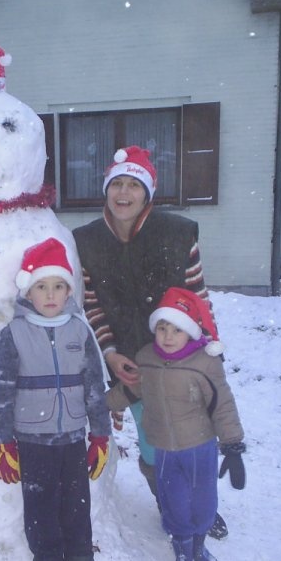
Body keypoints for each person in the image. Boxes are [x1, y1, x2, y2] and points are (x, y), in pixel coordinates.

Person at [73, 145, 228, 540]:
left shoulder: (177, 234)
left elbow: (198, 295)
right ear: (107, 190)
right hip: (133, 365)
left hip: (182, 359)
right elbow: (92, 305)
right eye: (117, 184)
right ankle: (168, 500)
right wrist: (110, 353)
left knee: (190, 436)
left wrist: (207, 353)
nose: (123, 193)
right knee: (152, 441)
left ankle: (200, 502)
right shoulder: (86, 242)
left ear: (147, 193)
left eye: (133, 185)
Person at [0, 237, 111, 561]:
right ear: (28, 290)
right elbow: (1, 392)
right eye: (42, 287)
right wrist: (4, 443)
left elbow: (94, 384)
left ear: (69, 290)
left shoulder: (80, 329)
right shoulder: (12, 335)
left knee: (77, 517)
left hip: (73, 442)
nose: (51, 295)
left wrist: (101, 436)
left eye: (59, 286)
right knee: (41, 520)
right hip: (33, 445)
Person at [106, 287, 246, 561]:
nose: (168, 336)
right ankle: (183, 555)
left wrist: (232, 445)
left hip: (200, 448)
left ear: (192, 333)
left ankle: (199, 548)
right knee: (175, 504)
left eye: (177, 329)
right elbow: (130, 390)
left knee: (204, 503)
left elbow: (222, 403)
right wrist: (102, 404)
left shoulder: (205, 364)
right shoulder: (147, 359)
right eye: (162, 328)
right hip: (165, 450)